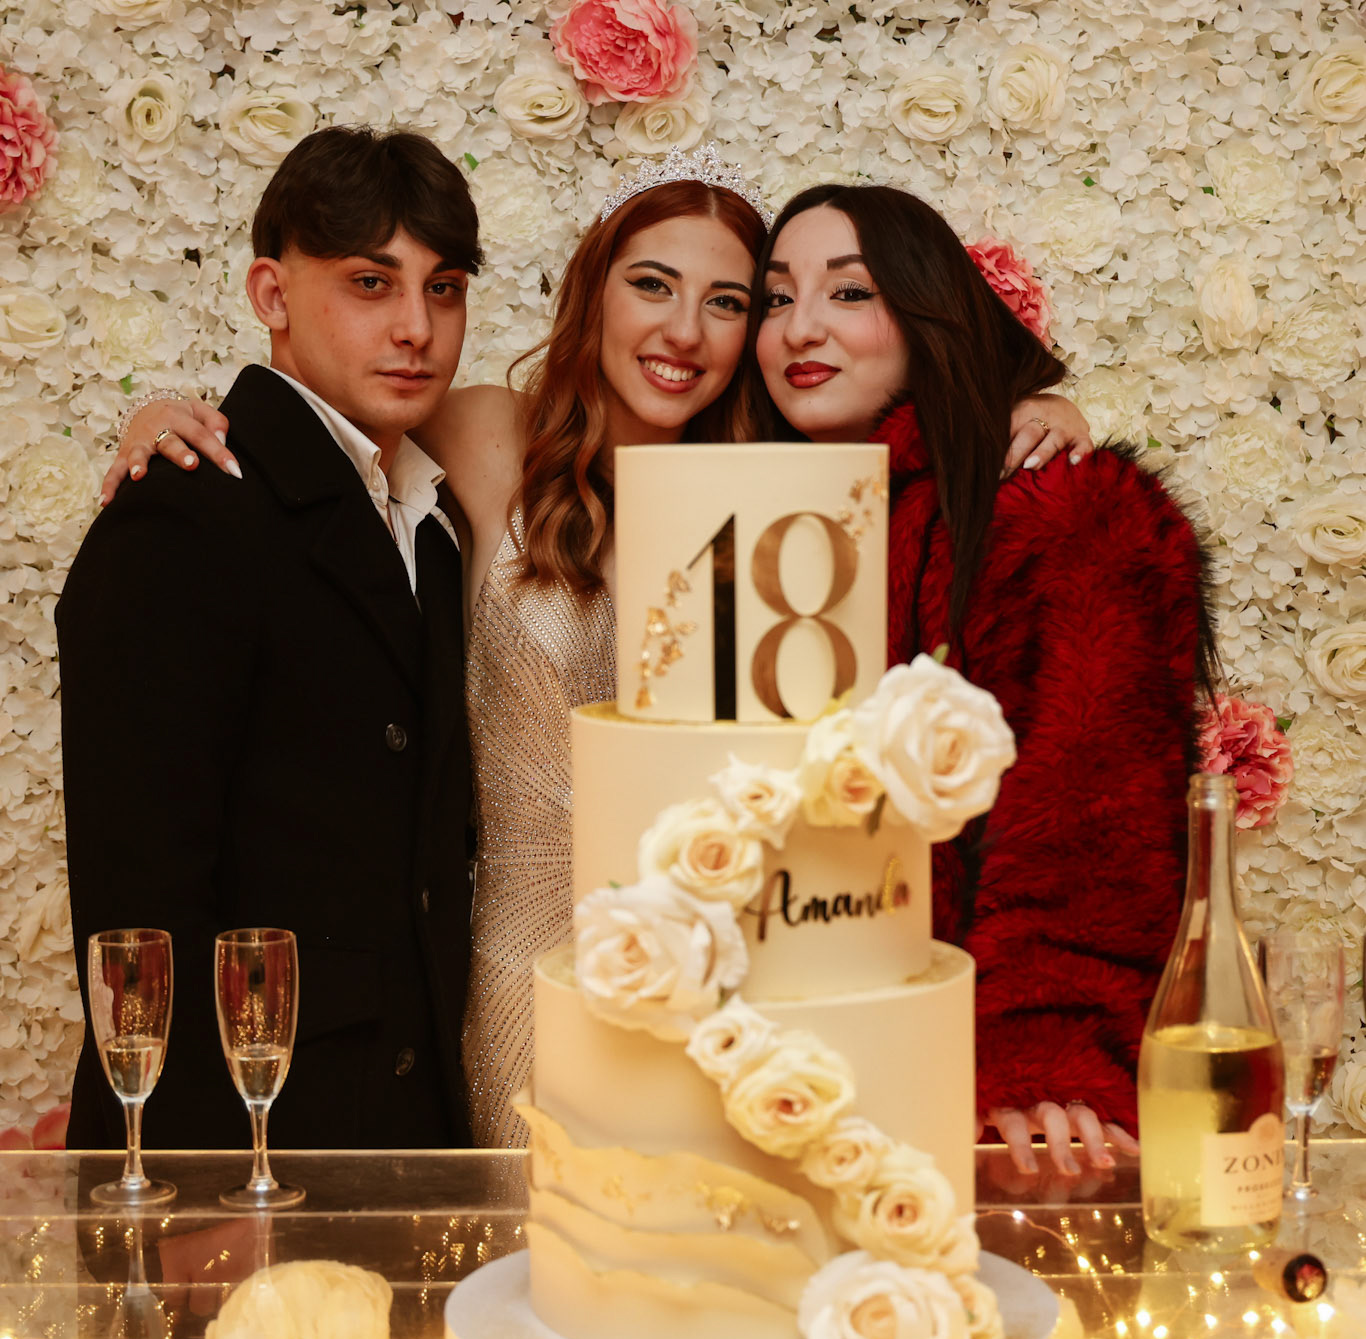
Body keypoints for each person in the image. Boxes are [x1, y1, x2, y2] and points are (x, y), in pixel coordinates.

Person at [103, 150, 1095, 1148]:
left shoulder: (786, 490)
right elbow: (325, 421)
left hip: (732, 973)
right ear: (595, 293)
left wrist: (1045, 410)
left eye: (726, 302)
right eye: (651, 285)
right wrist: (169, 419)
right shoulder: (488, 437)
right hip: (519, 966)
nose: (683, 330)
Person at [753, 185, 1215, 1179]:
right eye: (775, 296)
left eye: (849, 293)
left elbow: (1095, 818)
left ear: (930, 313)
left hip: (981, 1088)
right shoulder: (771, 522)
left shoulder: (1060, 510)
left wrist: (1042, 1053)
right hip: (793, 1057)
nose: (799, 328)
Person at [60, 126, 480, 1151]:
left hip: (404, 1119)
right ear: (271, 294)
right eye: (371, 283)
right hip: (247, 1133)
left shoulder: (429, 515)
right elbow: (137, 907)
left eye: (444, 288)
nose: (416, 328)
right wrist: (197, 1178)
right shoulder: (186, 510)